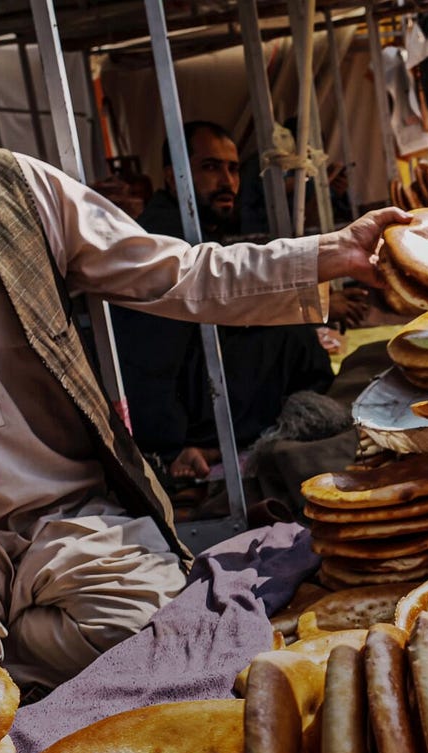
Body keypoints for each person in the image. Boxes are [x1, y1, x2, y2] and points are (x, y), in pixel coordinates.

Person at [0, 0, 405, 688]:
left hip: (70, 515)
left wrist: (330, 254)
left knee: (178, 652)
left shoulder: (14, 188)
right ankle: (8, 658)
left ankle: (20, 653)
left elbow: (184, 274)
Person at [112, 122, 334, 483]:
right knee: (294, 336)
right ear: (173, 177)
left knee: (292, 328)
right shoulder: (161, 237)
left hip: (194, 384)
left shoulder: (195, 225)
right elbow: (147, 359)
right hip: (183, 409)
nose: (227, 182)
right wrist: (169, 449)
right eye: (211, 167)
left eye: (232, 169)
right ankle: (211, 445)